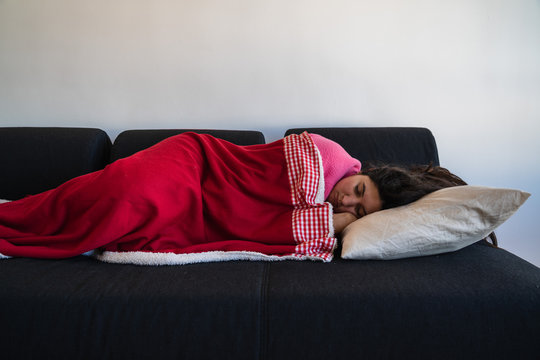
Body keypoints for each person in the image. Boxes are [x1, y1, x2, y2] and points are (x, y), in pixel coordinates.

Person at [0, 131, 480, 264]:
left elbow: (255, 227)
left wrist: (340, 223)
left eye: (359, 210)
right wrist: (323, 221)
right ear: (364, 174)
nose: (347, 204)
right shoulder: (328, 154)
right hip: (194, 164)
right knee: (120, 197)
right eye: (358, 193)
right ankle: (17, 219)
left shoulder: (338, 219)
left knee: (121, 212)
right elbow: (254, 185)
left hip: (197, 210)